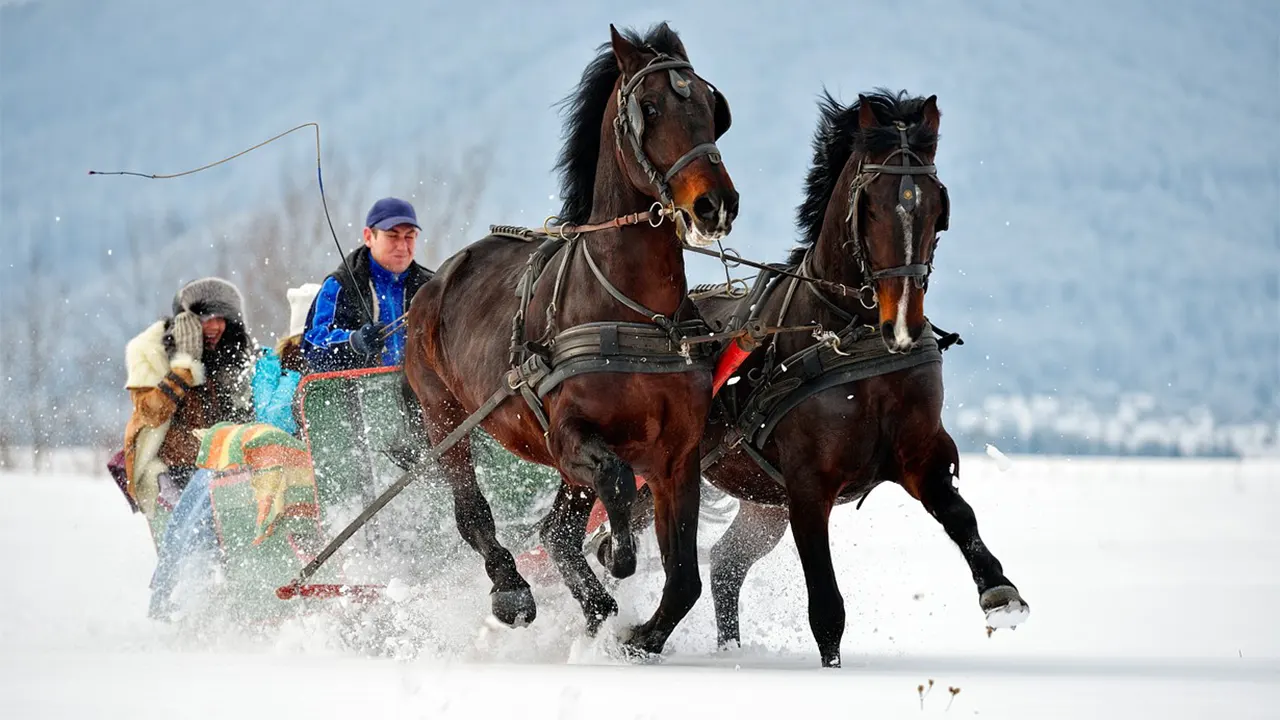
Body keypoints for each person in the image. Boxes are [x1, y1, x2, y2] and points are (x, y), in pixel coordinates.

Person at [121, 277, 257, 531]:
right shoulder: (152, 353)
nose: (215, 326)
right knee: (199, 523)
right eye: (206, 318)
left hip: (224, 463)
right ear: (187, 322)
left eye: (221, 318)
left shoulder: (233, 353)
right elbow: (150, 414)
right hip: (176, 469)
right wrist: (184, 368)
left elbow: (244, 413)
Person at [302, 197, 434, 372]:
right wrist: (355, 342)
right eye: (392, 236)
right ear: (368, 237)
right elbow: (313, 349)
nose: (402, 246)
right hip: (354, 395)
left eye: (409, 236)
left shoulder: (431, 287)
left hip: (421, 395)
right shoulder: (340, 285)